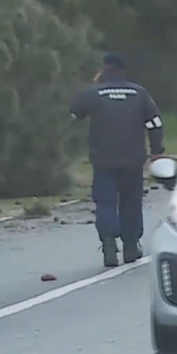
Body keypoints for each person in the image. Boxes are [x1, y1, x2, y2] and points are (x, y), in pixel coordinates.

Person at [70, 53, 165, 267]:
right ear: (123, 70)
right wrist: (157, 150)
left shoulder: (93, 93)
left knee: (105, 202)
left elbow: (73, 114)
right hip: (133, 159)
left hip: (103, 160)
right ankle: (131, 246)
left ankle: (109, 246)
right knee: (131, 202)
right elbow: (155, 123)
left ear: (104, 69)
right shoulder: (139, 93)